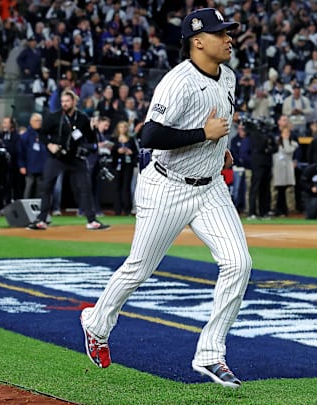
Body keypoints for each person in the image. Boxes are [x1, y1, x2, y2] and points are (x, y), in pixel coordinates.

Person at [80, 8, 252, 389]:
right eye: (220, 33)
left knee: (239, 263)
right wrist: (204, 136)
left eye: (228, 33)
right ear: (197, 41)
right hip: (166, 185)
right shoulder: (178, 82)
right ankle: (95, 322)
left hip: (209, 187)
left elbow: (217, 122)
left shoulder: (229, 77)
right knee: (138, 268)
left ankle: (210, 354)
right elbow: (150, 136)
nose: (228, 39)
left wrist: (219, 148)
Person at [25, 90, 109, 230]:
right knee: (47, 187)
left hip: (75, 157)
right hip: (56, 157)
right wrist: (49, 144)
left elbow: (91, 140)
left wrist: (93, 129)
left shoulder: (82, 118)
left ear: (74, 101)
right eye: (63, 101)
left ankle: (92, 220)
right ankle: (41, 220)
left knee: (85, 188)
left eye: (67, 101)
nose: (64, 104)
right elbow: (43, 134)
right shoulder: (54, 117)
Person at [18, 113, 47, 199]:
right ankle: (25, 207)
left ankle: (38, 207)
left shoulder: (44, 134)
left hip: (42, 167)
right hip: (30, 166)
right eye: (36, 121)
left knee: (40, 189)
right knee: (29, 187)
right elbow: (20, 152)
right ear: (31, 122)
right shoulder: (25, 136)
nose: (39, 123)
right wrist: (22, 165)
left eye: (40, 121)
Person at [271, 126, 298, 217]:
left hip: (287, 170)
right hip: (278, 170)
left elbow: (287, 150)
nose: (286, 135)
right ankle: (278, 210)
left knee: (285, 190)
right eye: (284, 133)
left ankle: (284, 210)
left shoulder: (293, 144)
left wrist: (285, 140)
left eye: (288, 133)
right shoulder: (276, 143)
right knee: (279, 191)